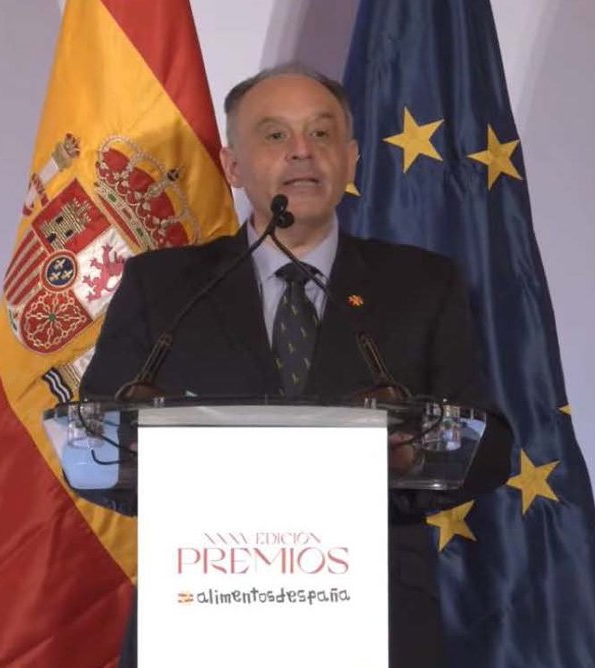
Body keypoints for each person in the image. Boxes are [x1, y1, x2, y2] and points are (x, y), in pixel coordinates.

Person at [79, 64, 511, 668]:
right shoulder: (165, 286)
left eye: (322, 133)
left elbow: (488, 446)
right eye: (275, 134)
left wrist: (407, 455)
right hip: (205, 615)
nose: (302, 151)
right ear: (233, 165)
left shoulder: (421, 284)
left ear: (351, 159)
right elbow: (94, 445)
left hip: (375, 618)